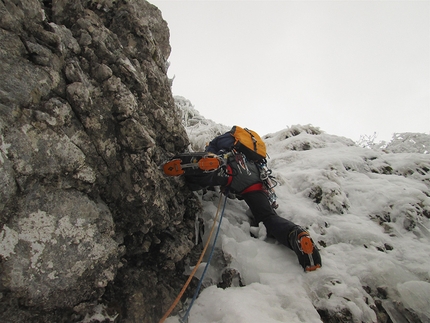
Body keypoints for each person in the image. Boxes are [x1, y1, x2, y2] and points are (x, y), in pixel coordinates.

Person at [166, 127, 322, 272]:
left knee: (201, 178)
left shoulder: (224, 138)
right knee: (268, 217)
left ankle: (202, 167)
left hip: (232, 167)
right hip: (256, 179)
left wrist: (212, 156)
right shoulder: (253, 148)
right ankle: (296, 234)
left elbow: (212, 150)